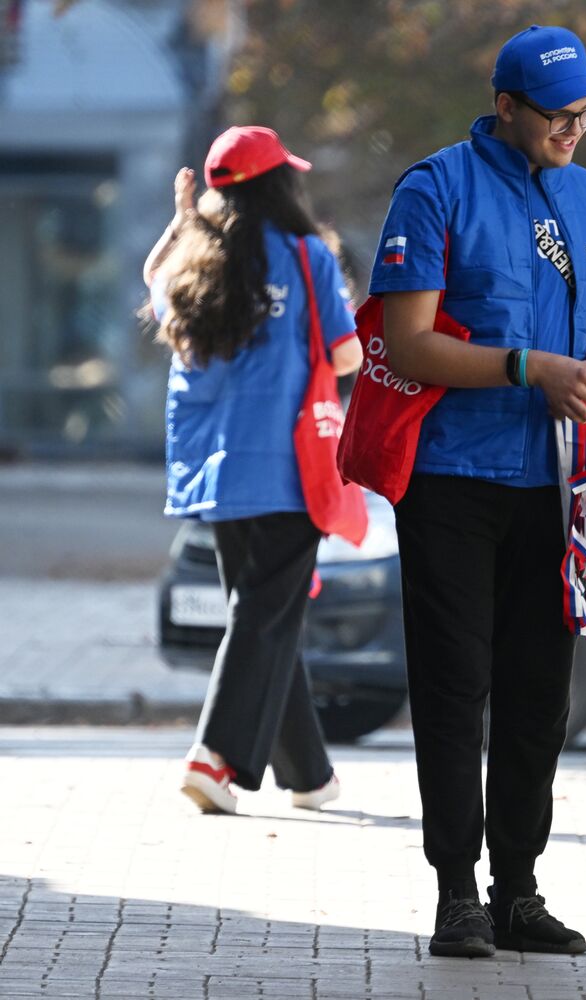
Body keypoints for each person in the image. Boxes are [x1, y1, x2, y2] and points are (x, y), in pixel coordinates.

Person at [366, 25, 586, 958]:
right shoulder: (434, 187)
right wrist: (530, 367)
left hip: (556, 483)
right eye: (559, 114)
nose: (576, 127)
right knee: (455, 689)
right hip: (452, 478)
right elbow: (407, 344)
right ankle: (456, 894)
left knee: (538, 694)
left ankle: (519, 890)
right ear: (507, 108)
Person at [143, 126, 364, 817]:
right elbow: (348, 356)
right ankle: (213, 757)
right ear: (278, 185)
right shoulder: (305, 258)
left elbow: (153, 287)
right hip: (291, 467)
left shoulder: (192, 262)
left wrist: (183, 222)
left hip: (217, 470)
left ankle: (310, 776)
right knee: (263, 614)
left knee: (268, 615)